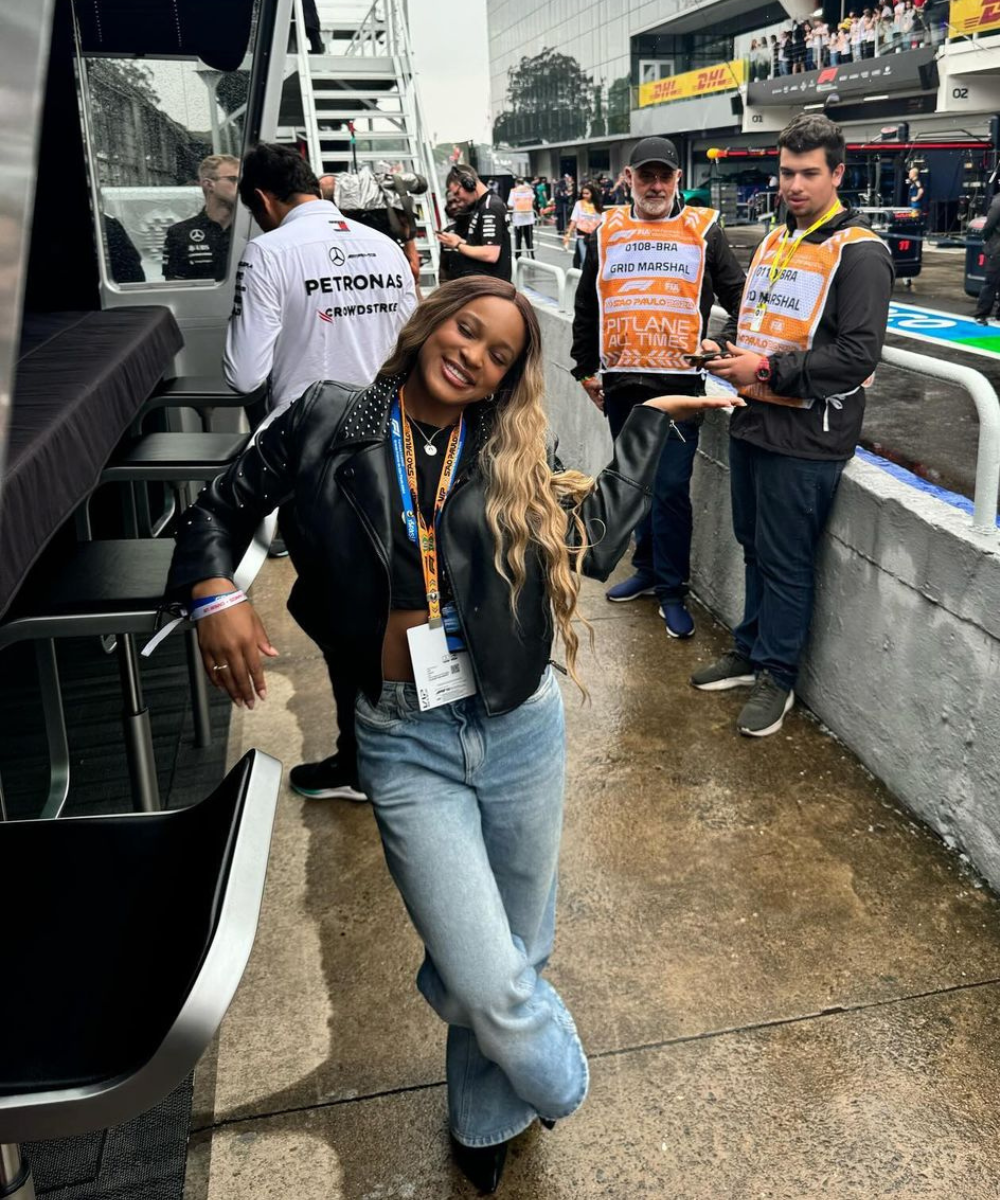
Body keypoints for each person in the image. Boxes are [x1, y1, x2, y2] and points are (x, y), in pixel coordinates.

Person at [165, 275, 738, 1193]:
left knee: (517, 952)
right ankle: (559, 1079)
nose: (473, 354)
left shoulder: (508, 449)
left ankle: (482, 1116)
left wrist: (655, 423)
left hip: (516, 724)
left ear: (505, 378)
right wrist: (214, 593)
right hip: (403, 738)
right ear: (433, 323)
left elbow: (589, 547)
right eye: (467, 330)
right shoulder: (325, 417)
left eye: (499, 354)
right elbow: (216, 510)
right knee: (481, 975)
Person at [224, 142, 416, 799]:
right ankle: (404, 745)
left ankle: (364, 763)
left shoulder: (269, 252)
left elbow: (244, 373)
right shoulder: (383, 245)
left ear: (262, 201)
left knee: (339, 614)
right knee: (400, 601)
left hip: (319, 462)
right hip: (395, 444)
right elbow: (415, 347)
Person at [696, 113, 893, 737]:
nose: (795, 185)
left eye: (809, 173)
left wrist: (768, 369)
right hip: (753, 419)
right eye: (786, 172)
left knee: (785, 561)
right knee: (753, 545)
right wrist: (723, 349)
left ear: (838, 173)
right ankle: (749, 650)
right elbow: (759, 319)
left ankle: (777, 676)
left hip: (808, 436)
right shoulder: (778, 238)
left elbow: (857, 355)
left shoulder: (860, 253)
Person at [571, 136, 746, 640]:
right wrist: (585, 367)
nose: (654, 185)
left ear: (676, 181)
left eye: (663, 176)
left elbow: (742, 299)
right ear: (628, 178)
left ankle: (672, 588)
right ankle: (646, 570)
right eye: (645, 175)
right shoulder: (606, 230)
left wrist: (722, 344)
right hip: (622, 381)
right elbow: (588, 304)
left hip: (681, 384)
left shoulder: (704, 229)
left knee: (670, 489)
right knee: (635, 486)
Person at [162, 154, 239, 281]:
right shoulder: (180, 234)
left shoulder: (251, 231)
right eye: (233, 179)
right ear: (209, 185)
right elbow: (175, 290)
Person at [436, 164, 512, 283]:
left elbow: (490, 254)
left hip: (491, 288)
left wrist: (457, 245)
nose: (459, 199)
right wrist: (459, 241)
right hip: (483, 285)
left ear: (468, 183)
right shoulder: (481, 206)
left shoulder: (489, 207)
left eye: (457, 193)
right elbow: (480, 244)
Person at [972, 188, 1000, 325]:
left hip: (997, 247)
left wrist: (985, 238)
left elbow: (989, 224)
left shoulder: (998, 201)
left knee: (991, 281)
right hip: (997, 248)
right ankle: (983, 313)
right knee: (992, 281)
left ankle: (982, 314)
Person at [563, 180, 602, 268]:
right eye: (583, 193)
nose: (585, 195)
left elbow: (601, 220)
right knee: (584, 258)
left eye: (587, 193)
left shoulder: (597, 205)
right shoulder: (579, 204)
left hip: (594, 235)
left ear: (592, 193)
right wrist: (569, 233)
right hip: (582, 234)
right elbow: (574, 219)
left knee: (595, 258)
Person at [509, 177, 537, 260]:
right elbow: (533, 200)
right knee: (529, 239)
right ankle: (532, 255)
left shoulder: (513, 191)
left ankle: (518, 257)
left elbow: (510, 204)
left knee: (518, 240)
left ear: (516, 183)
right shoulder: (529, 190)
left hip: (518, 220)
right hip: (529, 219)